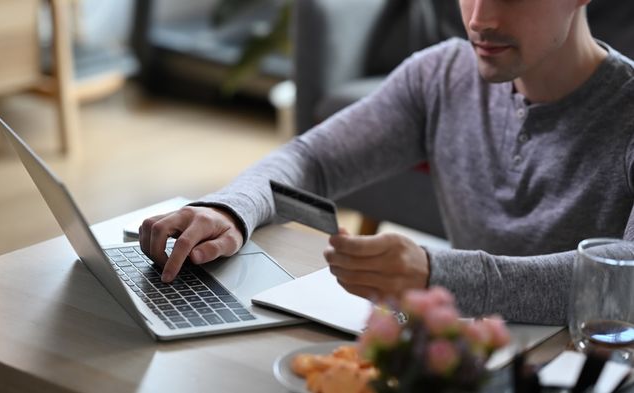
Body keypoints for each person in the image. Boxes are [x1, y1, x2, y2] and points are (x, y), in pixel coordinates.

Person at [139, 0, 634, 325]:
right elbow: (313, 160)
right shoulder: (441, 75)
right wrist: (230, 210)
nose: (481, 18)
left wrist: (435, 274)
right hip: (477, 357)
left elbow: (626, 282)